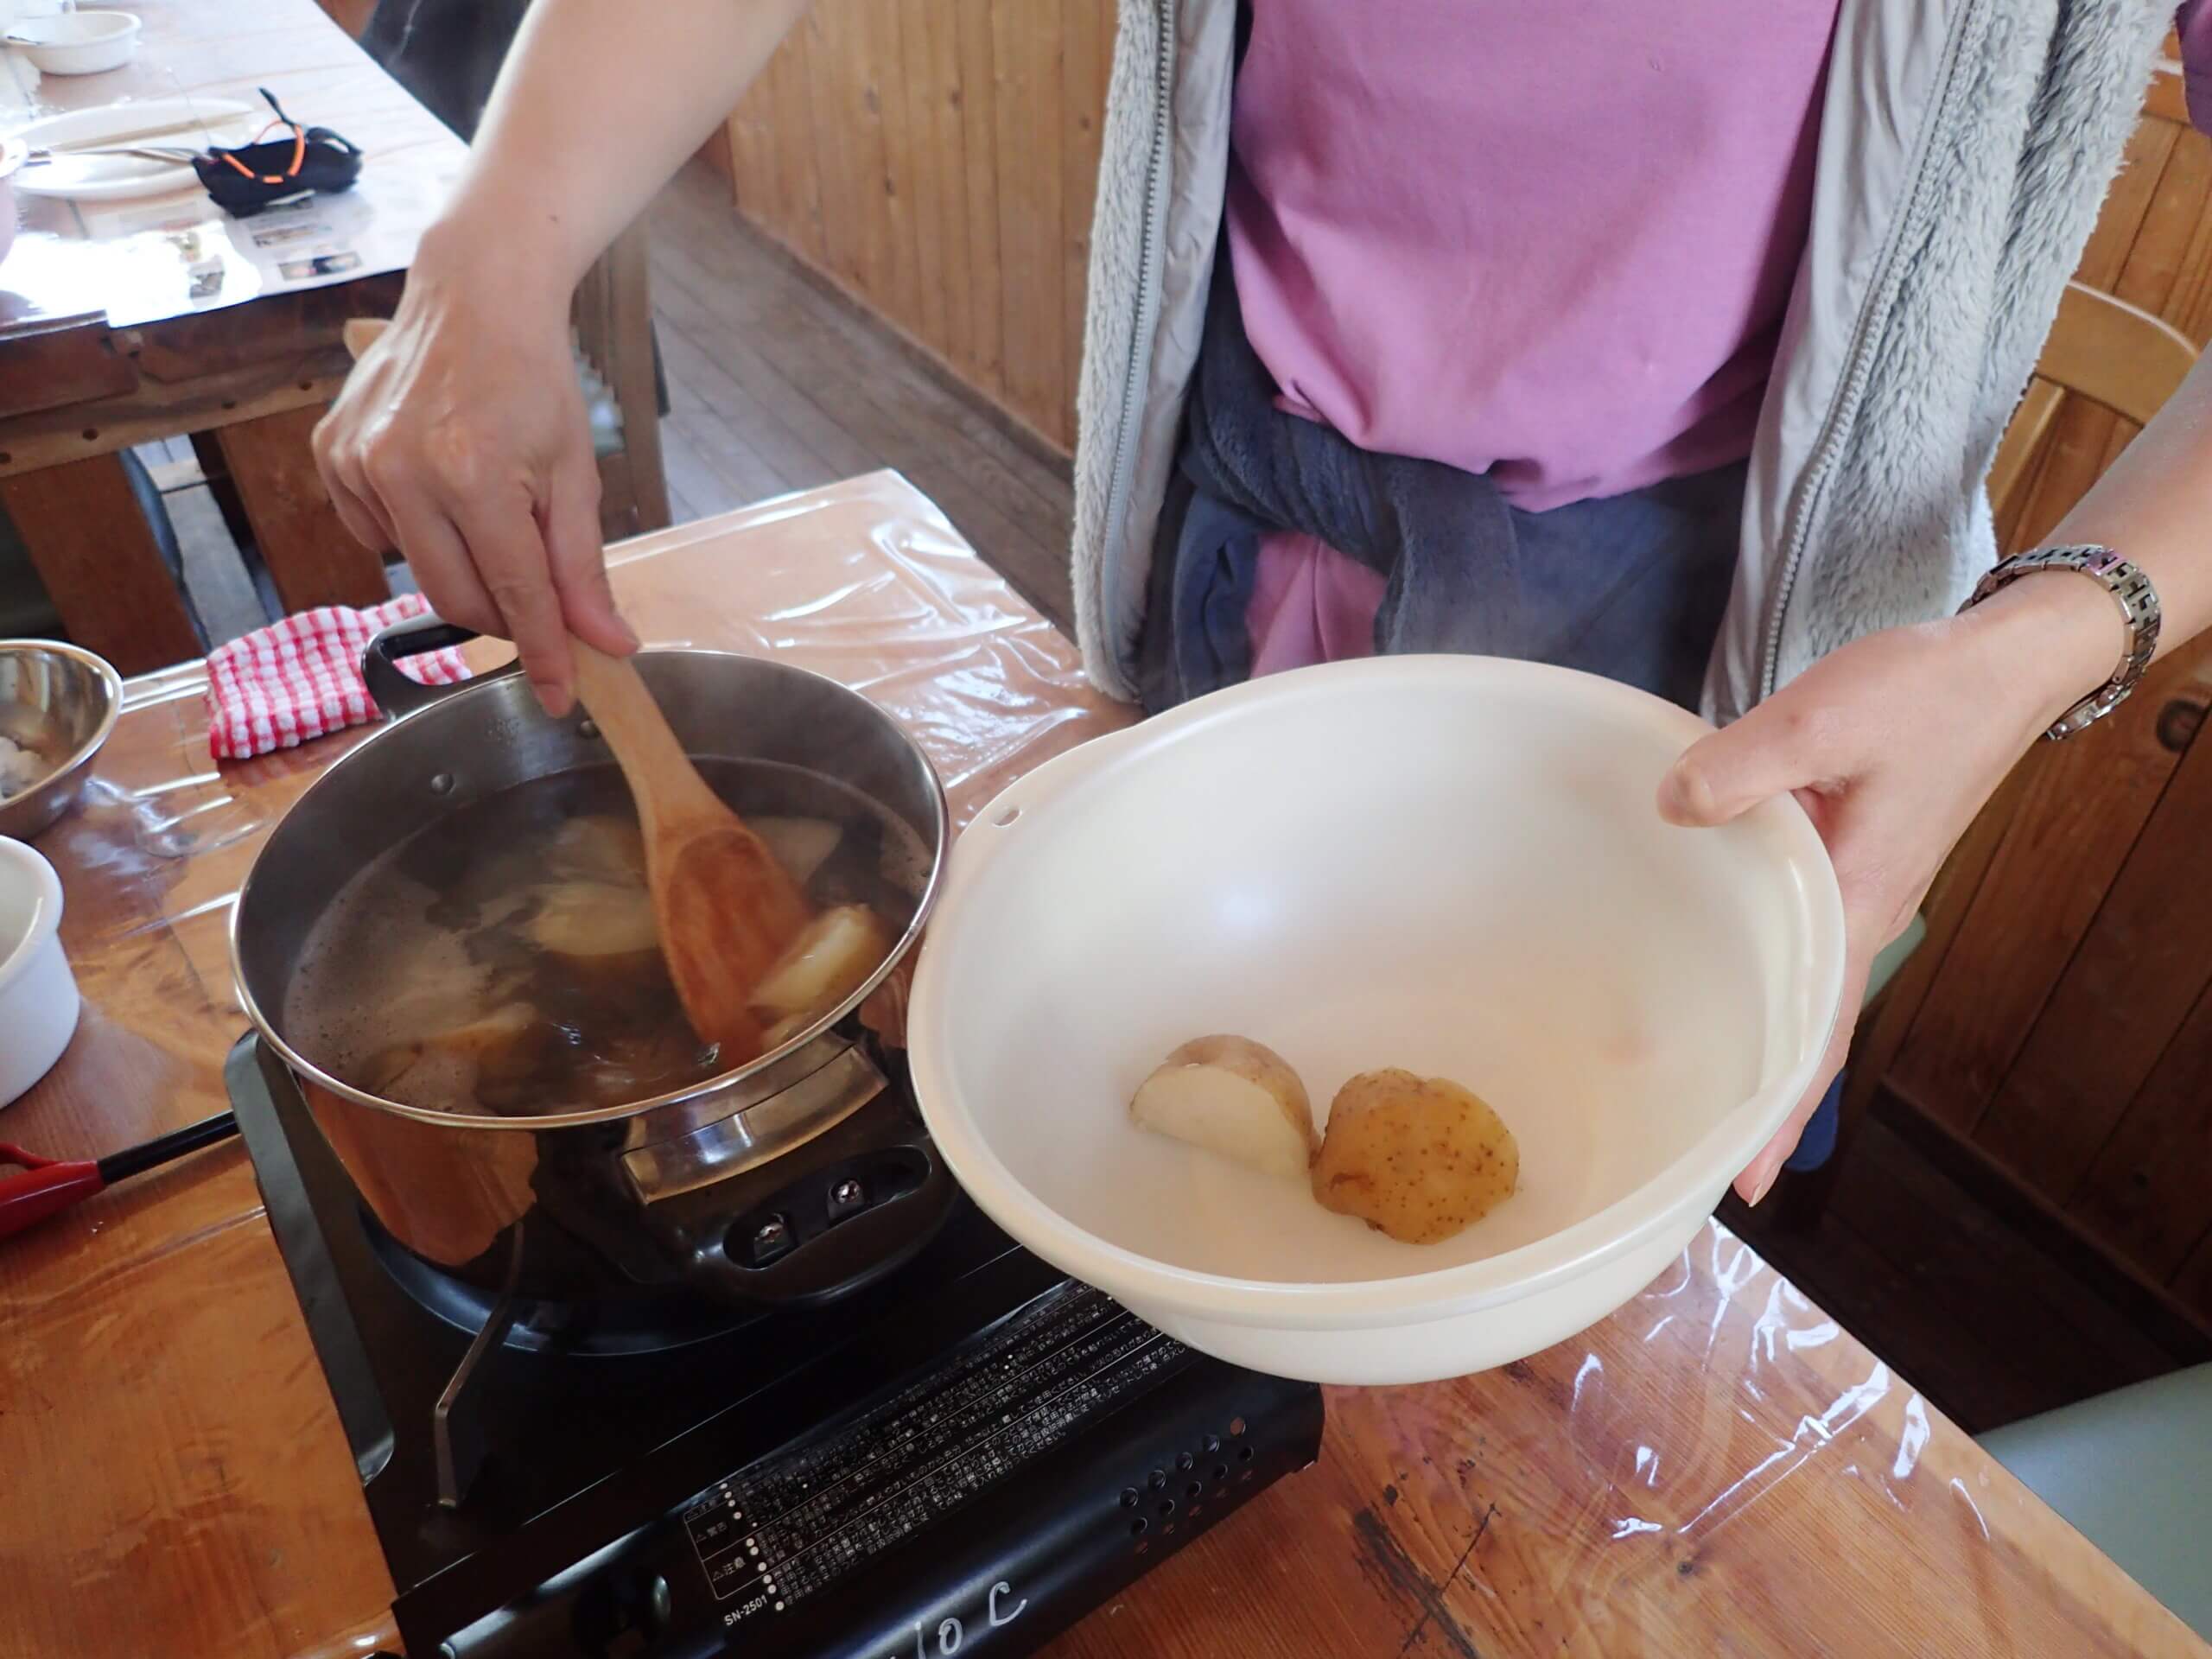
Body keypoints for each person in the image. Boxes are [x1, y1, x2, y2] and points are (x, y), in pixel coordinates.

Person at [315, 0, 2212, 1206]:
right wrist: (498, 239)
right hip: (1245, 494)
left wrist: (2048, 629)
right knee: (1205, 1089)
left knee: (1597, 1222)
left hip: (1716, 637)